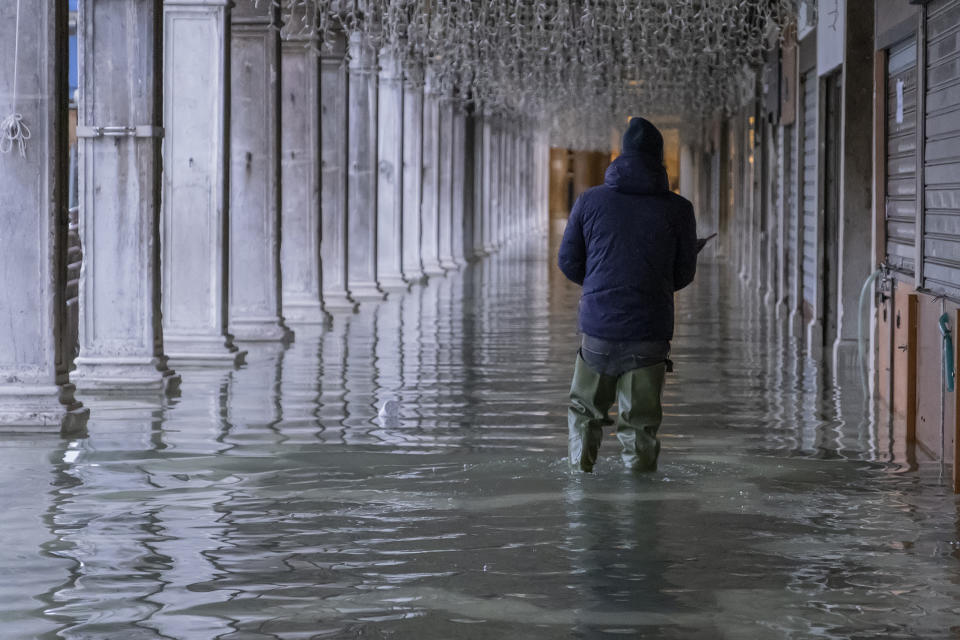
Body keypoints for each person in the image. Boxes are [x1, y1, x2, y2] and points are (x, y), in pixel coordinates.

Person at [557, 117, 698, 473]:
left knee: (585, 416)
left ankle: (579, 491)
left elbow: (568, 261)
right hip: (650, 335)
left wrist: (598, 287)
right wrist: (651, 286)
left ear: (622, 155)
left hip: (598, 333)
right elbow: (683, 274)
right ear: (659, 159)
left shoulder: (589, 202)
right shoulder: (679, 209)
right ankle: (639, 512)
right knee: (640, 428)